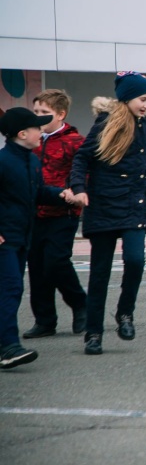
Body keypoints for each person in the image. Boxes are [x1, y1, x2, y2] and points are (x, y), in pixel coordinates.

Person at [68, 72, 146, 356]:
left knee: (136, 260)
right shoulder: (106, 123)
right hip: (104, 205)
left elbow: (139, 161)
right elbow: (83, 157)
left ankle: (125, 313)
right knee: (100, 273)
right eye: (143, 99)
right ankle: (93, 333)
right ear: (127, 98)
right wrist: (78, 188)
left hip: (134, 204)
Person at [0, 108, 67, 369]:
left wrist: (62, 195)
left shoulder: (31, 160)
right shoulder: (4, 161)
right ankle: (8, 347)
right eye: (37, 128)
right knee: (10, 288)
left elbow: (37, 193)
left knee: (12, 289)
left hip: (22, 237)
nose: (41, 131)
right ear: (22, 134)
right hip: (5, 238)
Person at [23, 90, 88, 339]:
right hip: (34, 212)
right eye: (36, 111)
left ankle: (80, 304)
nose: (38, 116)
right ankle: (45, 320)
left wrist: (76, 192)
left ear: (61, 114)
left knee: (56, 261)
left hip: (63, 212)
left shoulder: (74, 141)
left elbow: (84, 171)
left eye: (44, 112)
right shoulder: (32, 140)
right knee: (37, 266)